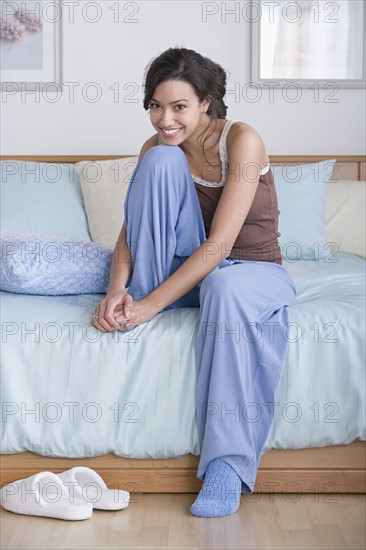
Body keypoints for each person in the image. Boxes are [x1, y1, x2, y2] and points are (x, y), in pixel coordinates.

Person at [91, 47, 297, 518]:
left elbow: (221, 246)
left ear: (206, 102)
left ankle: (226, 466)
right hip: (185, 274)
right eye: (156, 106)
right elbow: (130, 232)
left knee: (224, 288)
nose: (165, 118)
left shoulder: (242, 140)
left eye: (179, 106)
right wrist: (117, 290)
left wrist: (149, 308)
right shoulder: (158, 148)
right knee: (161, 161)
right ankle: (148, 292)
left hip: (250, 272)